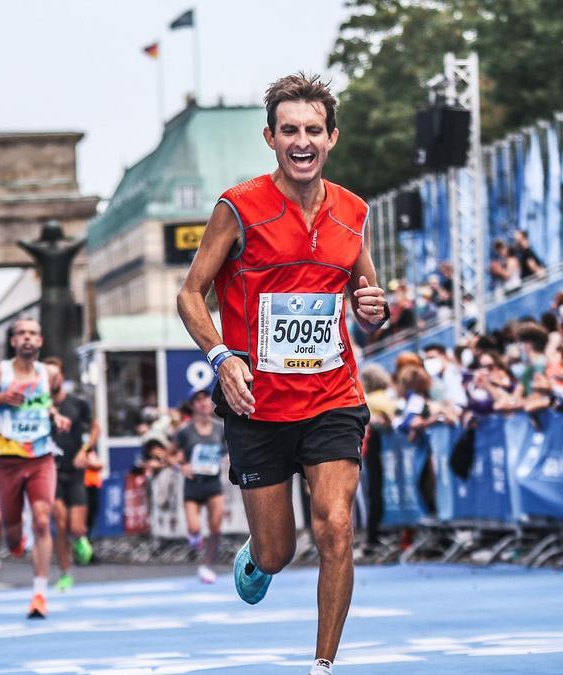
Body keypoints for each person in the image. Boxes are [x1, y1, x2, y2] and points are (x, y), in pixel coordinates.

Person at [175, 74, 389, 675]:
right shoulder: (237, 208)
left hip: (332, 397)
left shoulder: (352, 211)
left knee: (337, 527)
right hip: (257, 405)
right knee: (278, 551)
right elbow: (191, 294)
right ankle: (260, 557)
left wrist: (375, 307)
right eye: (289, 130)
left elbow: (366, 295)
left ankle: (322, 664)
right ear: (271, 137)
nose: (302, 141)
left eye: (313, 130)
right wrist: (221, 357)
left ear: (331, 138)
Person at [0, 317, 71, 619]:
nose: (27, 338)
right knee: (12, 534)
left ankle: (39, 594)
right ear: (13, 341)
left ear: (40, 341)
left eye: (33, 333)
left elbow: (44, 402)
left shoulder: (49, 374)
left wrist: (55, 416)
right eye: (21, 334)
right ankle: (14, 541)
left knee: (42, 519)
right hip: (7, 459)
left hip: (41, 456)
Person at [43, 357, 98, 592]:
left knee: (76, 527)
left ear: (61, 377)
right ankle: (65, 573)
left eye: (55, 375)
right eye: (47, 376)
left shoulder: (77, 403)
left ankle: (79, 539)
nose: (52, 379)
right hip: (50, 471)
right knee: (60, 522)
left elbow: (95, 428)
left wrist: (85, 451)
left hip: (75, 471)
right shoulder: (39, 406)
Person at [170, 389, 228, 584]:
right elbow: (168, 455)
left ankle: (207, 565)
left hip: (213, 483)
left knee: (216, 529)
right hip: (193, 485)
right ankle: (195, 538)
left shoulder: (220, 428)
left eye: (206, 400)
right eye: (199, 401)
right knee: (195, 529)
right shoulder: (185, 431)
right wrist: (180, 466)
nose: (203, 404)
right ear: (193, 405)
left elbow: (230, 449)